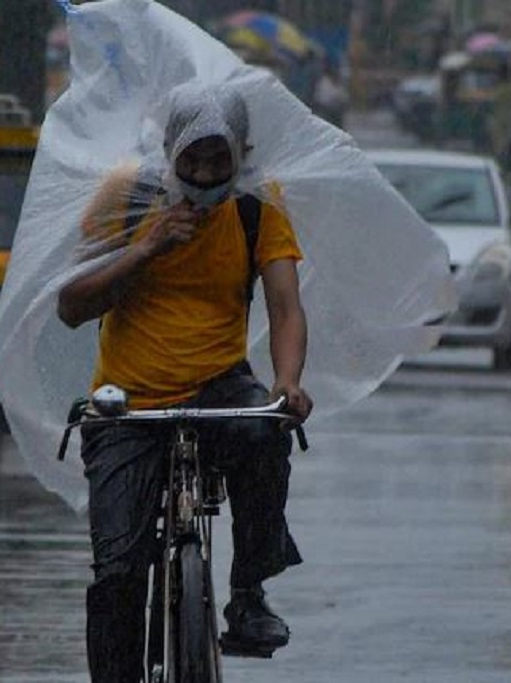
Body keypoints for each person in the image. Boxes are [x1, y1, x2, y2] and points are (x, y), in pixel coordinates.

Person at [56, 84, 312, 682]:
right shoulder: (127, 195)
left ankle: (248, 593)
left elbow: (286, 306)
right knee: (119, 571)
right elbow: (71, 304)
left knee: (265, 432)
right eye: (191, 158)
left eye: (217, 159)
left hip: (219, 386)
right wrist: (146, 247)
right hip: (128, 401)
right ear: (169, 149)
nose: (202, 172)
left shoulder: (256, 205)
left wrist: (289, 382)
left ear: (240, 155)